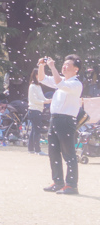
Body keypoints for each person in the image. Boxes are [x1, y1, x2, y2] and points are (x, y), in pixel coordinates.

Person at [39, 54, 83, 195]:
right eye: (63, 64)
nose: (64, 66)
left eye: (68, 65)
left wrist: (52, 66)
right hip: (55, 119)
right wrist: (41, 66)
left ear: (76, 69)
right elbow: (42, 79)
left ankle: (71, 185)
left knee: (68, 153)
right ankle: (58, 182)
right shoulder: (62, 80)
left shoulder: (76, 84)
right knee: (53, 152)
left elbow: (59, 84)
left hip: (66, 120)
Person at [27, 68, 50, 155]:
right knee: (37, 130)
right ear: (35, 75)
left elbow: (42, 98)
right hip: (34, 110)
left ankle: (31, 149)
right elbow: (33, 100)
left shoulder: (38, 86)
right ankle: (37, 150)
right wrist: (45, 101)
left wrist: (49, 100)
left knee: (34, 130)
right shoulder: (32, 86)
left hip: (37, 110)